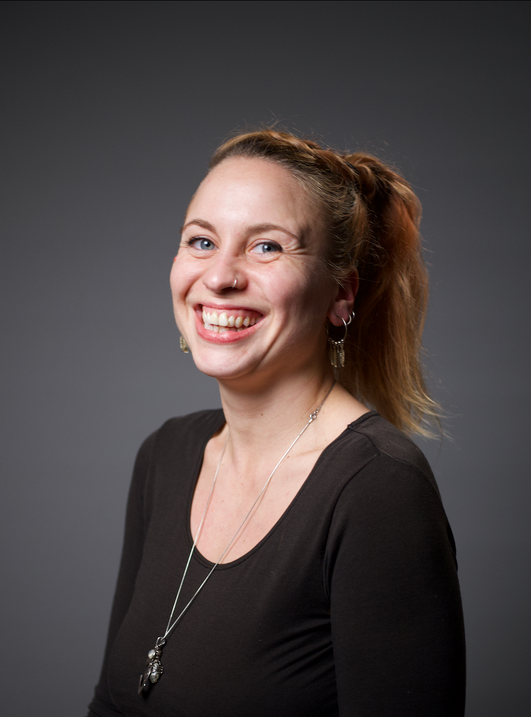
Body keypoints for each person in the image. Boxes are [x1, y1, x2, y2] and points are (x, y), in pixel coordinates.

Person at [87, 129, 466, 716]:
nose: (220, 277)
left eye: (267, 247)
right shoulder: (164, 455)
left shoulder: (377, 489)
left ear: (341, 294)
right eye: (201, 241)